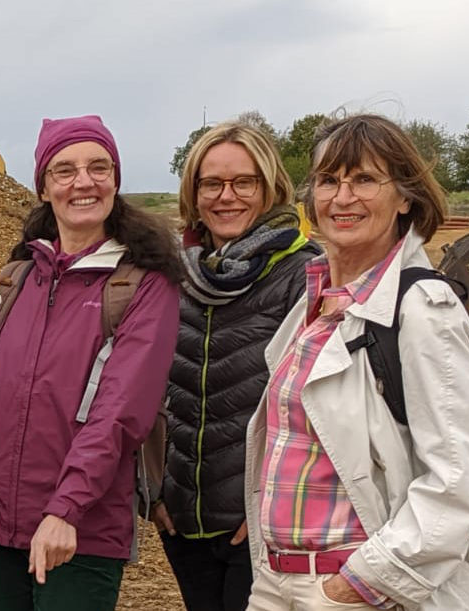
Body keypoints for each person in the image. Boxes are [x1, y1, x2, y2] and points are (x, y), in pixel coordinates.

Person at [244, 114, 469, 610]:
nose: (342, 199)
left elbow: (460, 474)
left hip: (354, 589)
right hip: (276, 583)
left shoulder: (421, 309)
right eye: (328, 181)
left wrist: (362, 585)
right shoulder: (317, 304)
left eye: (365, 179)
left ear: (405, 197)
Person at [0, 115, 181, 611]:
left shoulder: (141, 286)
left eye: (99, 167)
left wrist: (66, 508)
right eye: (65, 170)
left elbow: (120, 412)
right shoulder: (13, 281)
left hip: (79, 531)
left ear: (116, 181)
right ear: (43, 187)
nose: (84, 182)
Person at [153, 122, 321, 611]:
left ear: (269, 189)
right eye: (212, 184)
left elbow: (315, 406)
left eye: (243, 182)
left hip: (262, 520)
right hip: (184, 516)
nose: (227, 197)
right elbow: (149, 387)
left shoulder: (304, 275)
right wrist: (155, 488)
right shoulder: (175, 274)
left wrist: (273, 502)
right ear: (194, 193)